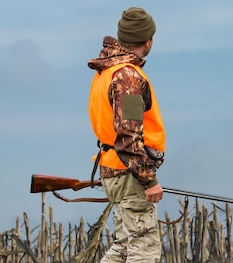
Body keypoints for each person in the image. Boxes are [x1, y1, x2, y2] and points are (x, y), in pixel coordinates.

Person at [87, 6, 166, 262]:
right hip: (130, 172)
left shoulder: (106, 71)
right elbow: (129, 135)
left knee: (123, 247)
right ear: (148, 40)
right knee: (144, 249)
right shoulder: (128, 77)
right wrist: (148, 179)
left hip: (113, 169)